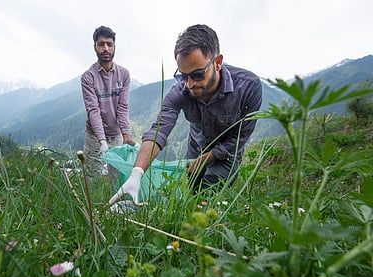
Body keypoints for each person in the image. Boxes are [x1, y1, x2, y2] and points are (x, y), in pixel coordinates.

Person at [109, 24, 262, 205]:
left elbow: (240, 137)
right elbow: (159, 130)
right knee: (191, 199)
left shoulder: (248, 87)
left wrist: (211, 156)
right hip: (195, 151)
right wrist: (137, 174)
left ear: (217, 62)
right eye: (183, 76)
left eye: (197, 75)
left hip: (226, 155)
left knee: (208, 196)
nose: (189, 84)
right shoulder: (180, 92)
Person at [81, 25, 136, 185]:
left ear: (114, 47)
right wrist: (102, 140)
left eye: (109, 44)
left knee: (117, 177)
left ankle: (116, 209)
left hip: (117, 135)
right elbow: (93, 110)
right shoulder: (88, 77)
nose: (105, 48)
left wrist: (126, 134)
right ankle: (88, 208)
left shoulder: (123, 74)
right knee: (91, 176)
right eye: (101, 44)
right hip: (94, 136)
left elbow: (123, 107)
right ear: (95, 47)